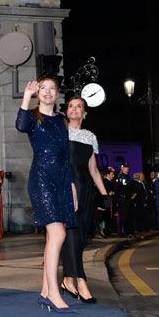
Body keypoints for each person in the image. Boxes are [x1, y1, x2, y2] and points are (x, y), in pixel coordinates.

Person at [16, 78, 77, 313]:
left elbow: (65, 156)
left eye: (52, 88)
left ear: (57, 93)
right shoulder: (32, 117)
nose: (48, 92)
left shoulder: (61, 121)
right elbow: (20, 125)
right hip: (41, 179)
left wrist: (70, 186)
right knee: (58, 233)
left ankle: (44, 291)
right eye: (43, 88)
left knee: (54, 237)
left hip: (61, 180)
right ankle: (53, 292)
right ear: (38, 93)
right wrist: (26, 96)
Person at [60, 96, 110, 304]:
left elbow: (94, 170)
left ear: (85, 113)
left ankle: (67, 279)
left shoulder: (90, 137)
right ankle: (80, 280)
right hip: (66, 186)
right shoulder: (61, 134)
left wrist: (105, 194)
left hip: (86, 190)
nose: (74, 109)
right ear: (66, 111)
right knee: (70, 233)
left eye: (79, 106)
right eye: (71, 106)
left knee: (79, 236)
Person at [115, 163, 136, 238]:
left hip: (129, 199)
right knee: (125, 216)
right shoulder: (120, 177)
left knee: (130, 216)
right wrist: (118, 201)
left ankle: (131, 232)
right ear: (122, 168)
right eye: (125, 167)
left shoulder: (129, 177)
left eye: (128, 167)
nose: (127, 168)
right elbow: (117, 190)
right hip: (123, 200)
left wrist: (134, 194)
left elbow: (132, 188)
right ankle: (126, 232)